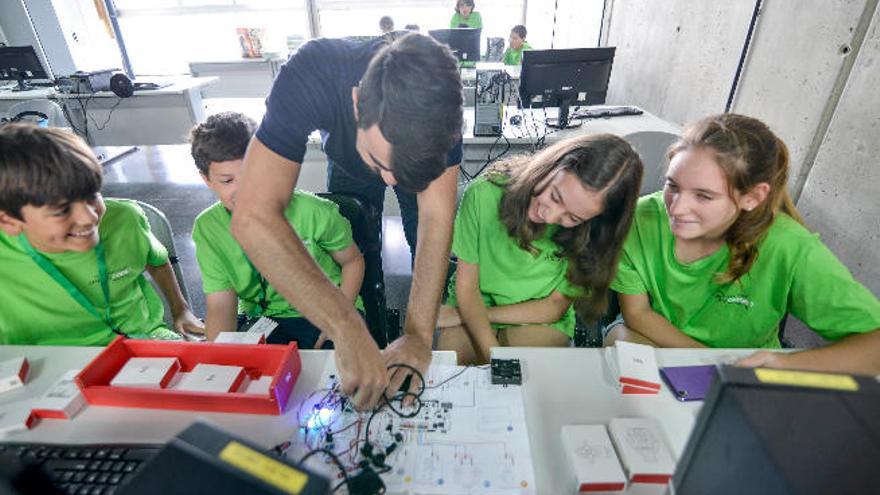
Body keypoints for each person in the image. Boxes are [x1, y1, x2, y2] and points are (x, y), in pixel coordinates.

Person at [231, 33, 464, 410]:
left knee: (415, 229)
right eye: (383, 165)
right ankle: (365, 326)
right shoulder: (315, 72)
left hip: (404, 159)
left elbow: (435, 217)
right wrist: (345, 324)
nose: (390, 181)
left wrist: (419, 335)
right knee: (355, 247)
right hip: (348, 159)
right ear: (356, 102)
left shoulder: (441, 106)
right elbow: (252, 216)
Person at [607, 113, 880, 375]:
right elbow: (637, 313)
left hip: (747, 366)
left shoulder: (791, 247)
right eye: (673, 186)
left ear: (752, 197)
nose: (677, 209)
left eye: (703, 196)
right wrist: (710, 365)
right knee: (619, 340)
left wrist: (786, 365)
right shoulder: (639, 218)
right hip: (663, 345)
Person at [437, 134, 644, 364]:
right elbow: (467, 288)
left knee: (532, 381)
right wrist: (494, 357)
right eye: (556, 196)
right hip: (472, 303)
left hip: (538, 316)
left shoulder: (591, 234)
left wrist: (468, 319)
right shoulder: (482, 194)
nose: (550, 215)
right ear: (552, 165)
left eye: (572, 218)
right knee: (450, 371)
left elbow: (553, 306)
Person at [0, 124, 204, 345]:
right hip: (45, 365)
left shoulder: (125, 219)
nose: (89, 217)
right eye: (62, 210)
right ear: (8, 221)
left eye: (92, 196)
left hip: (143, 340)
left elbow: (156, 260)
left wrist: (180, 309)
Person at [189, 112, 365, 348]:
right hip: (262, 317)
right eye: (228, 181)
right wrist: (217, 356)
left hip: (326, 309)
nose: (245, 190)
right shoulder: (208, 228)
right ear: (207, 179)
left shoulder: (314, 212)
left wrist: (341, 319)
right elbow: (221, 304)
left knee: (333, 375)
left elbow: (353, 261)